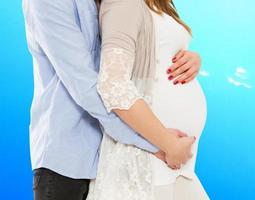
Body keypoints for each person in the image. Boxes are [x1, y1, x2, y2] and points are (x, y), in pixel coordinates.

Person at [22, 0, 203, 199]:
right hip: (69, 160)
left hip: (111, 151)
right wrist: (158, 142)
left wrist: (183, 59)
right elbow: (88, 86)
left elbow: (132, 52)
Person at [86, 0, 210, 199]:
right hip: (148, 155)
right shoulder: (123, 3)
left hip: (168, 159)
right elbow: (113, 83)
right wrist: (168, 144)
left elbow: (157, 54)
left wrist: (192, 59)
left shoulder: (158, 4)